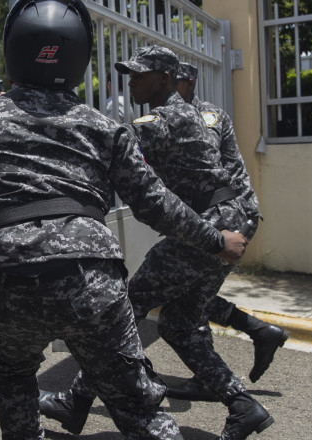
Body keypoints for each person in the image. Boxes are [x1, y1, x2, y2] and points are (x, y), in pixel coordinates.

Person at [0, 0, 247, 440]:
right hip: (91, 281)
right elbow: (155, 204)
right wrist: (215, 239)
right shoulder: (103, 126)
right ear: (79, 56)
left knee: (15, 385)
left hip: (8, 279)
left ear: (14, 49)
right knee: (139, 410)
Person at [40, 45, 273, 440]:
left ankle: (75, 401)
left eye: (140, 75)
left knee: (123, 309)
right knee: (179, 325)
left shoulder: (162, 118)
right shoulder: (185, 114)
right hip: (224, 220)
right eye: (130, 74)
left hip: (206, 228)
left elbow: (106, 142)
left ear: (165, 79)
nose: (132, 81)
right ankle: (243, 405)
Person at [165, 62, 289, 401]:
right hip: (224, 216)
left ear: (188, 83)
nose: (168, 88)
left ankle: (231, 372)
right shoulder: (192, 113)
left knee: (186, 300)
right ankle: (258, 333)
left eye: (174, 82)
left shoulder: (202, 116)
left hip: (225, 218)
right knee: (191, 298)